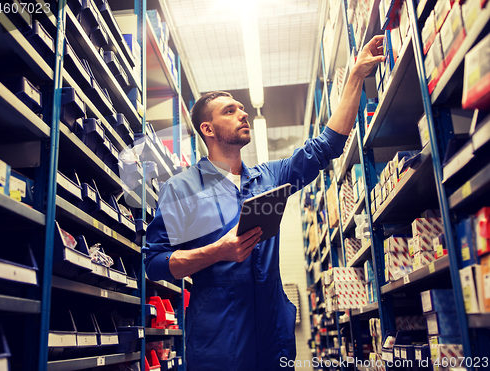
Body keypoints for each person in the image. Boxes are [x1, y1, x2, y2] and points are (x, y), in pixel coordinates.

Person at [145, 35, 385, 371]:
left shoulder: (271, 177)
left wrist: (356, 75)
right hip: (219, 341)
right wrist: (217, 251)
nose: (243, 114)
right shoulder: (182, 189)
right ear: (208, 129)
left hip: (273, 335)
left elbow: (327, 146)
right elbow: (155, 262)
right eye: (230, 111)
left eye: (242, 108)